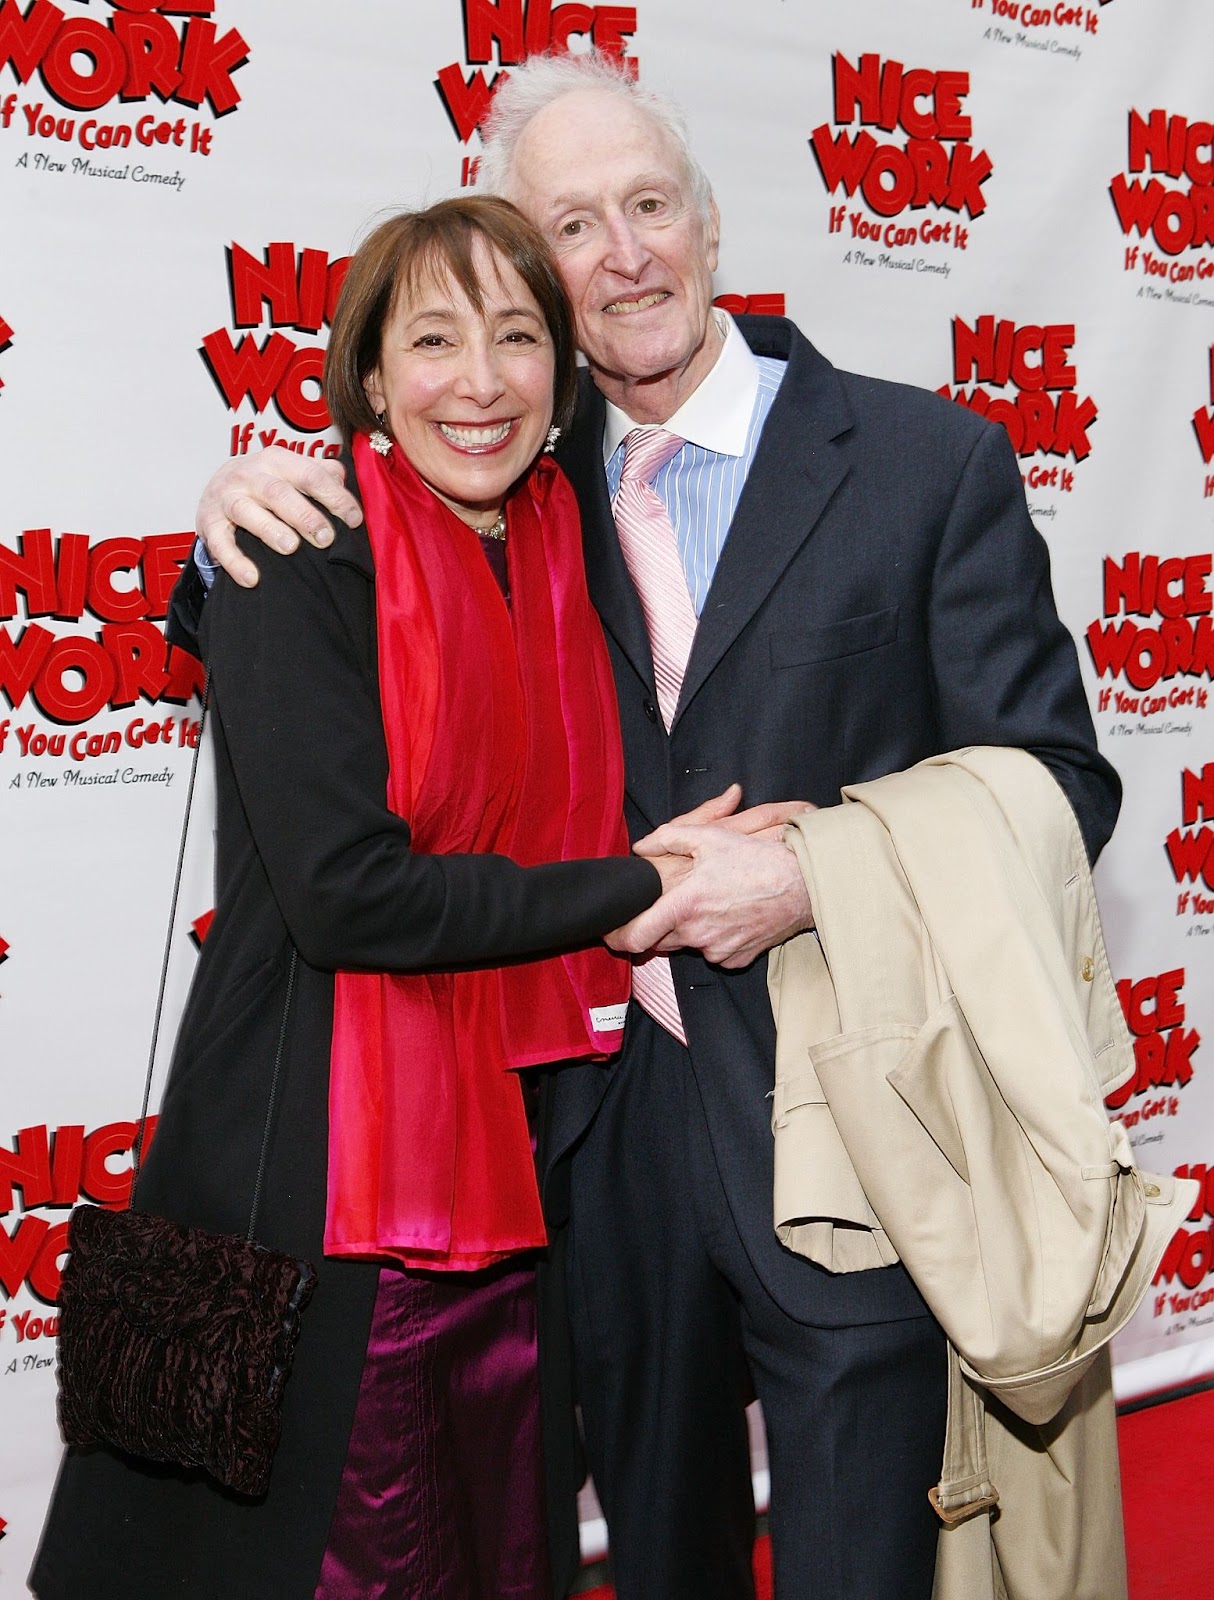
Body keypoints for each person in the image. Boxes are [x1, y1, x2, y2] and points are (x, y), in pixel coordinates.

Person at [174, 53, 1121, 1600]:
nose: (621, 255)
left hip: (850, 1131)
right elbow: (359, 621)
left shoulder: (921, 461)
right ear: (523, 270)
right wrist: (221, 541)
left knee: (853, 1560)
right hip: (586, 1155)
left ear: (709, 222)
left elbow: (1059, 787)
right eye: (570, 226)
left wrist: (814, 871)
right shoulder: (512, 481)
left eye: (647, 205)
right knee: (642, 1556)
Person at [29, 195, 711, 1600]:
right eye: (435, 340)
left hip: (529, 1158)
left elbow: (698, 348)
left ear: (564, 371)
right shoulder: (296, 551)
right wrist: (635, 887)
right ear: (368, 370)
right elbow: (351, 900)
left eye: (519, 338)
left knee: (496, 1546)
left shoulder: (558, 541)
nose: (479, 381)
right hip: (337, 1175)